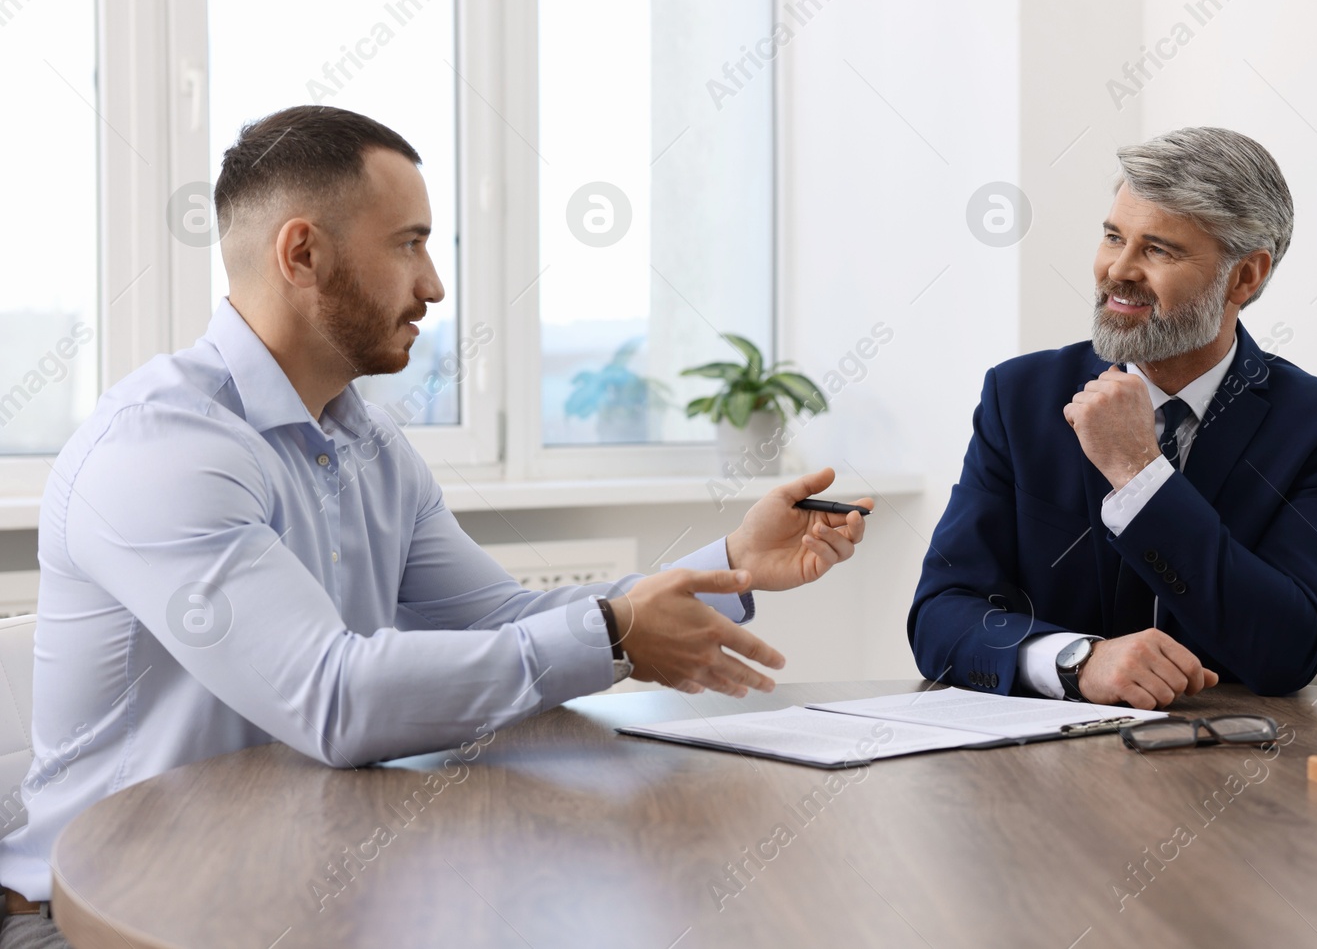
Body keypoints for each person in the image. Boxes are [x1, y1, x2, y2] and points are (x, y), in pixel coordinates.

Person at [0, 106, 871, 945]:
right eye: (409, 244)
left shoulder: (368, 444)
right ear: (301, 252)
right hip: (97, 918)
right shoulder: (162, 449)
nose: (434, 285)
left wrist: (731, 567)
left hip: (290, 887)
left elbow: (499, 619)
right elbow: (332, 698)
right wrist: (616, 635)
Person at [908, 126, 1317, 710]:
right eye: (1113, 238)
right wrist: (1074, 660)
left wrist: (1139, 472)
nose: (1118, 270)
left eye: (1158, 249)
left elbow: (1287, 649)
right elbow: (940, 616)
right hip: (1038, 769)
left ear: (1245, 275)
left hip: (1228, 765)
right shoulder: (1020, 396)